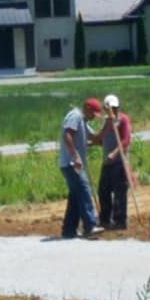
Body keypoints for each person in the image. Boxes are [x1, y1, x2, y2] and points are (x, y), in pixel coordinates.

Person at [58, 97, 104, 239]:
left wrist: (107, 126)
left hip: (75, 164)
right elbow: (67, 135)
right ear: (87, 108)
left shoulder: (83, 121)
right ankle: (89, 226)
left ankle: (69, 230)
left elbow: (95, 138)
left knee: (76, 196)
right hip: (71, 163)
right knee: (84, 191)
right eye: (93, 114)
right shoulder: (75, 116)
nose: (93, 117)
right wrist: (75, 155)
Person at [94, 94, 132, 230]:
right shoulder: (106, 121)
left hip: (119, 162)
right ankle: (105, 219)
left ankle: (120, 221)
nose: (113, 111)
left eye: (115, 108)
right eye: (110, 108)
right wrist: (92, 142)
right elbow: (101, 138)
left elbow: (126, 140)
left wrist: (114, 153)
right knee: (103, 190)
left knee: (119, 192)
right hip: (107, 162)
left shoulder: (123, 120)